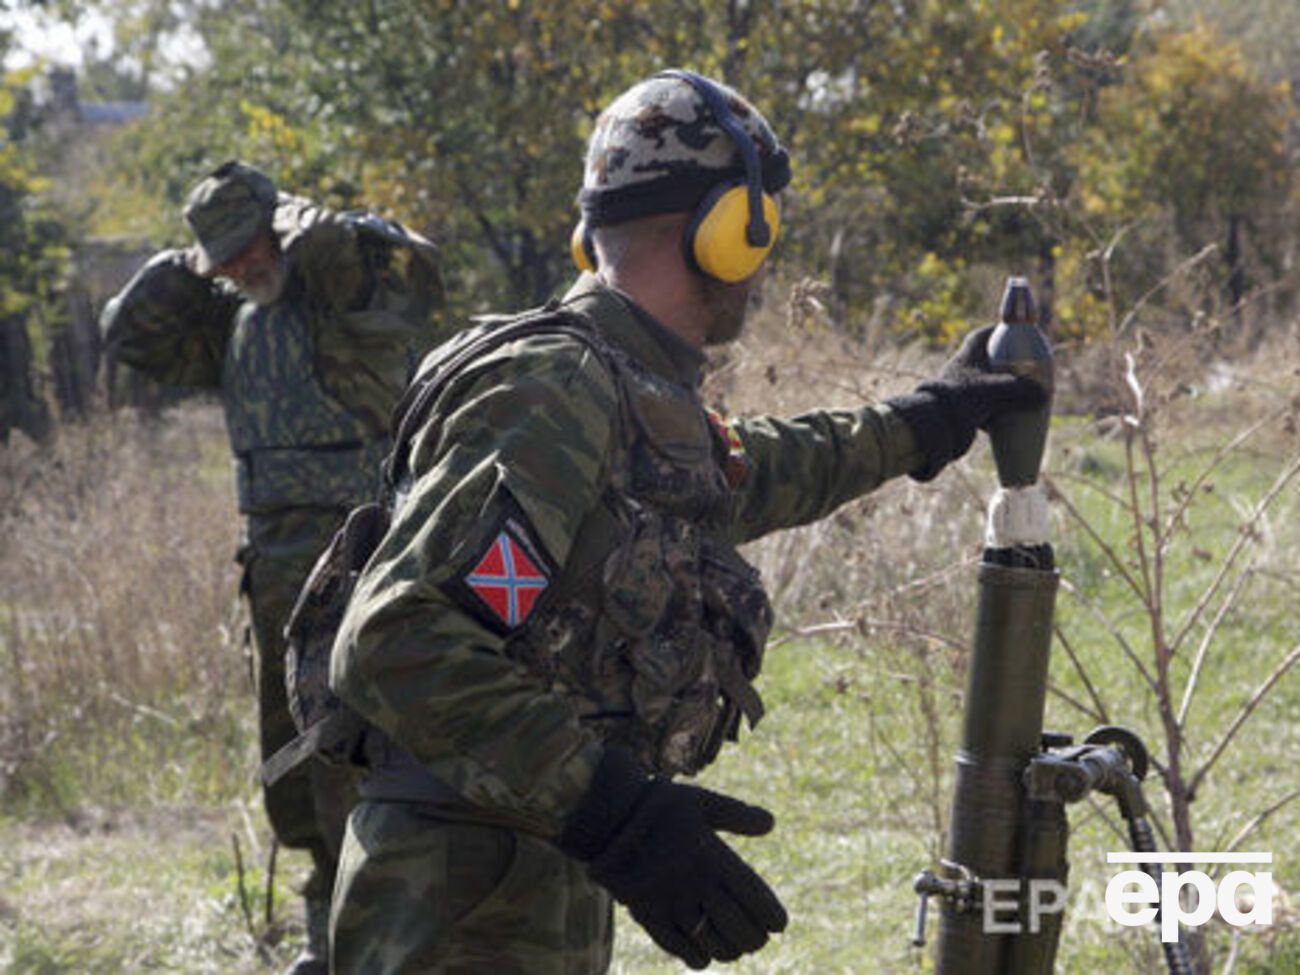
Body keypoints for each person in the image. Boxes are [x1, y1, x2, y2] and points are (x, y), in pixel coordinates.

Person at [326, 71, 1044, 974]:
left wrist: (927, 420)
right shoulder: (555, 388)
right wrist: (616, 813)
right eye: (764, 223)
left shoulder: (622, 388)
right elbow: (395, 638)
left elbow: (745, 473)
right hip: (458, 901)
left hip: (507, 871)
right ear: (730, 228)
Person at [100, 160, 444, 975]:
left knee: (362, 742)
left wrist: (295, 224)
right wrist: (193, 260)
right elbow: (127, 333)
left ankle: (391, 937)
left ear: (279, 226)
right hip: (274, 567)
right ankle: (331, 932)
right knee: (293, 750)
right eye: (222, 257)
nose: (239, 265)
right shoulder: (236, 319)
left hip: (360, 551)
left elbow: (387, 262)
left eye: (247, 245)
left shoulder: (339, 285)